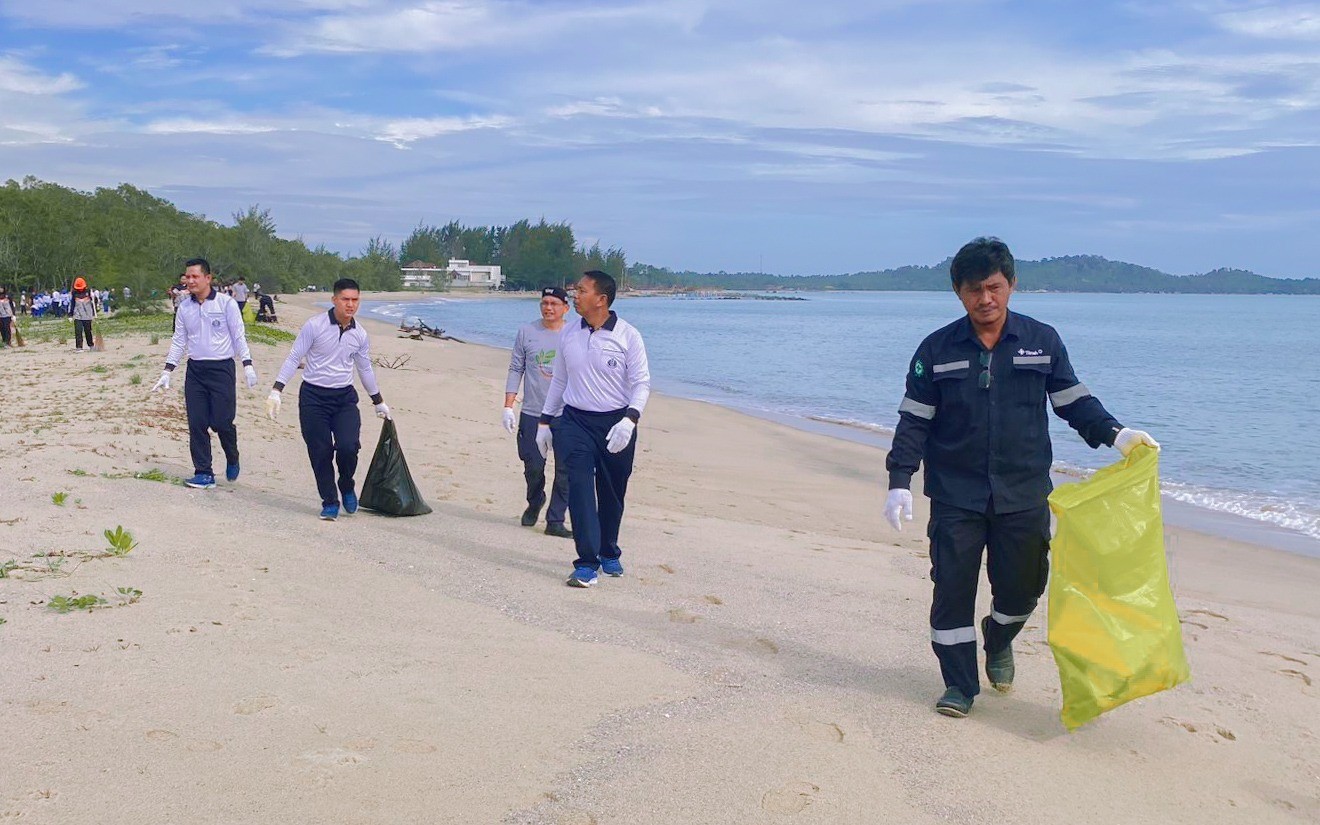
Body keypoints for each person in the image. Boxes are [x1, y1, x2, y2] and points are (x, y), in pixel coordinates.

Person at [884, 237, 1160, 718]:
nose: (985, 299)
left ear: (1010, 285)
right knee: (952, 589)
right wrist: (899, 479)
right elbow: (914, 420)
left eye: (994, 287)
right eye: (974, 290)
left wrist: (1117, 435)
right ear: (958, 292)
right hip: (956, 495)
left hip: (1024, 493)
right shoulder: (936, 349)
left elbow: (1073, 402)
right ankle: (960, 687)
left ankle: (999, 636)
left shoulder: (1042, 340)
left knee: (1023, 589)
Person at [535, 271, 650, 587]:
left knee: (613, 493)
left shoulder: (628, 336)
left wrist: (630, 419)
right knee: (580, 487)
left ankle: (608, 550)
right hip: (575, 422)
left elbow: (641, 383)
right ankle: (586, 563)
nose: (575, 293)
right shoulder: (570, 333)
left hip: (616, 423)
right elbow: (560, 380)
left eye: (581, 290)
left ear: (601, 299)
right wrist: (545, 421)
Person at [265, 278, 390, 521]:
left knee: (348, 446)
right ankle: (330, 500)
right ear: (334, 300)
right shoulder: (315, 326)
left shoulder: (360, 334)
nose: (350, 305)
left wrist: (378, 401)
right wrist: (276, 390)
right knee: (320, 452)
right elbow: (294, 358)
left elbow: (365, 369)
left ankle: (346, 484)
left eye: (355, 300)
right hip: (313, 397)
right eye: (345, 299)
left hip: (344, 398)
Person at [151, 258, 258, 489]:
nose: (190, 281)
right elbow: (179, 341)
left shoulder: (226, 304)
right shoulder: (184, 307)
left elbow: (239, 336)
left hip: (222, 369)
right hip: (196, 370)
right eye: (187, 277)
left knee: (222, 422)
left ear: (208, 278)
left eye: (195, 276)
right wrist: (167, 370)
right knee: (197, 422)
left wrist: (247, 364)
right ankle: (203, 472)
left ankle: (232, 455)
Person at [503, 286, 573, 538]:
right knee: (533, 464)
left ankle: (555, 519)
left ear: (566, 307)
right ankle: (535, 499)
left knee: (566, 469)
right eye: (544, 302)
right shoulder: (527, 332)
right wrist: (508, 406)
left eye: (555, 303)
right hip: (533, 411)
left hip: (568, 414)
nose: (549, 307)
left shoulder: (575, 334)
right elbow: (515, 368)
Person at [70, 277, 96, 352]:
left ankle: (91, 345)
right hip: (77, 315)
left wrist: (94, 314)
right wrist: (70, 315)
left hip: (87, 315)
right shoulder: (74, 293)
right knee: (78, 331)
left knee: (88, 331)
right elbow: (72, 304)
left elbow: (94, 303)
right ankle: (79, 347)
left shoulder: (88, 292)